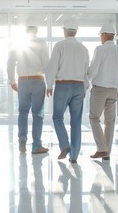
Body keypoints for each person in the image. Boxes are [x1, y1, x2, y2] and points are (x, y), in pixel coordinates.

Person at [46, 19, 89, 163]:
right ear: (76, 32)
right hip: (78, 86)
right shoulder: (84, 49)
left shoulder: (59, 46)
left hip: (62, 86)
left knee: (58, 117)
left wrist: (49, 85)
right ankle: (74, 156)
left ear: (64, 31)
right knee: (76, 121)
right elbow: (86, 71)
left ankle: (65, 145)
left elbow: (52, 67)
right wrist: (84, 88)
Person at [7, 18, 50, 154]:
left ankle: (22, 139)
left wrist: (12, 81)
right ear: (36, 30)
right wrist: (49, 84)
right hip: (37, 80)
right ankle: (36, 145)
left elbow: (10, 63)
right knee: (37, 114)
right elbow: (47, 65)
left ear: (25, 30)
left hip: (22, 81)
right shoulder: (41, 43)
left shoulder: (17, 43)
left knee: (23, 112)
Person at [88, 24, 118, 160]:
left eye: (100, 35)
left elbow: (93, 70)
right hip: (113, 91)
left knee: (94, 118)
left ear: (104, 35)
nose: (100, 38)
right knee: (110, 122)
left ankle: (102, 149)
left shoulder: (100, 49)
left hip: (100, 89)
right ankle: (107, 153)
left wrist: (86, 79)